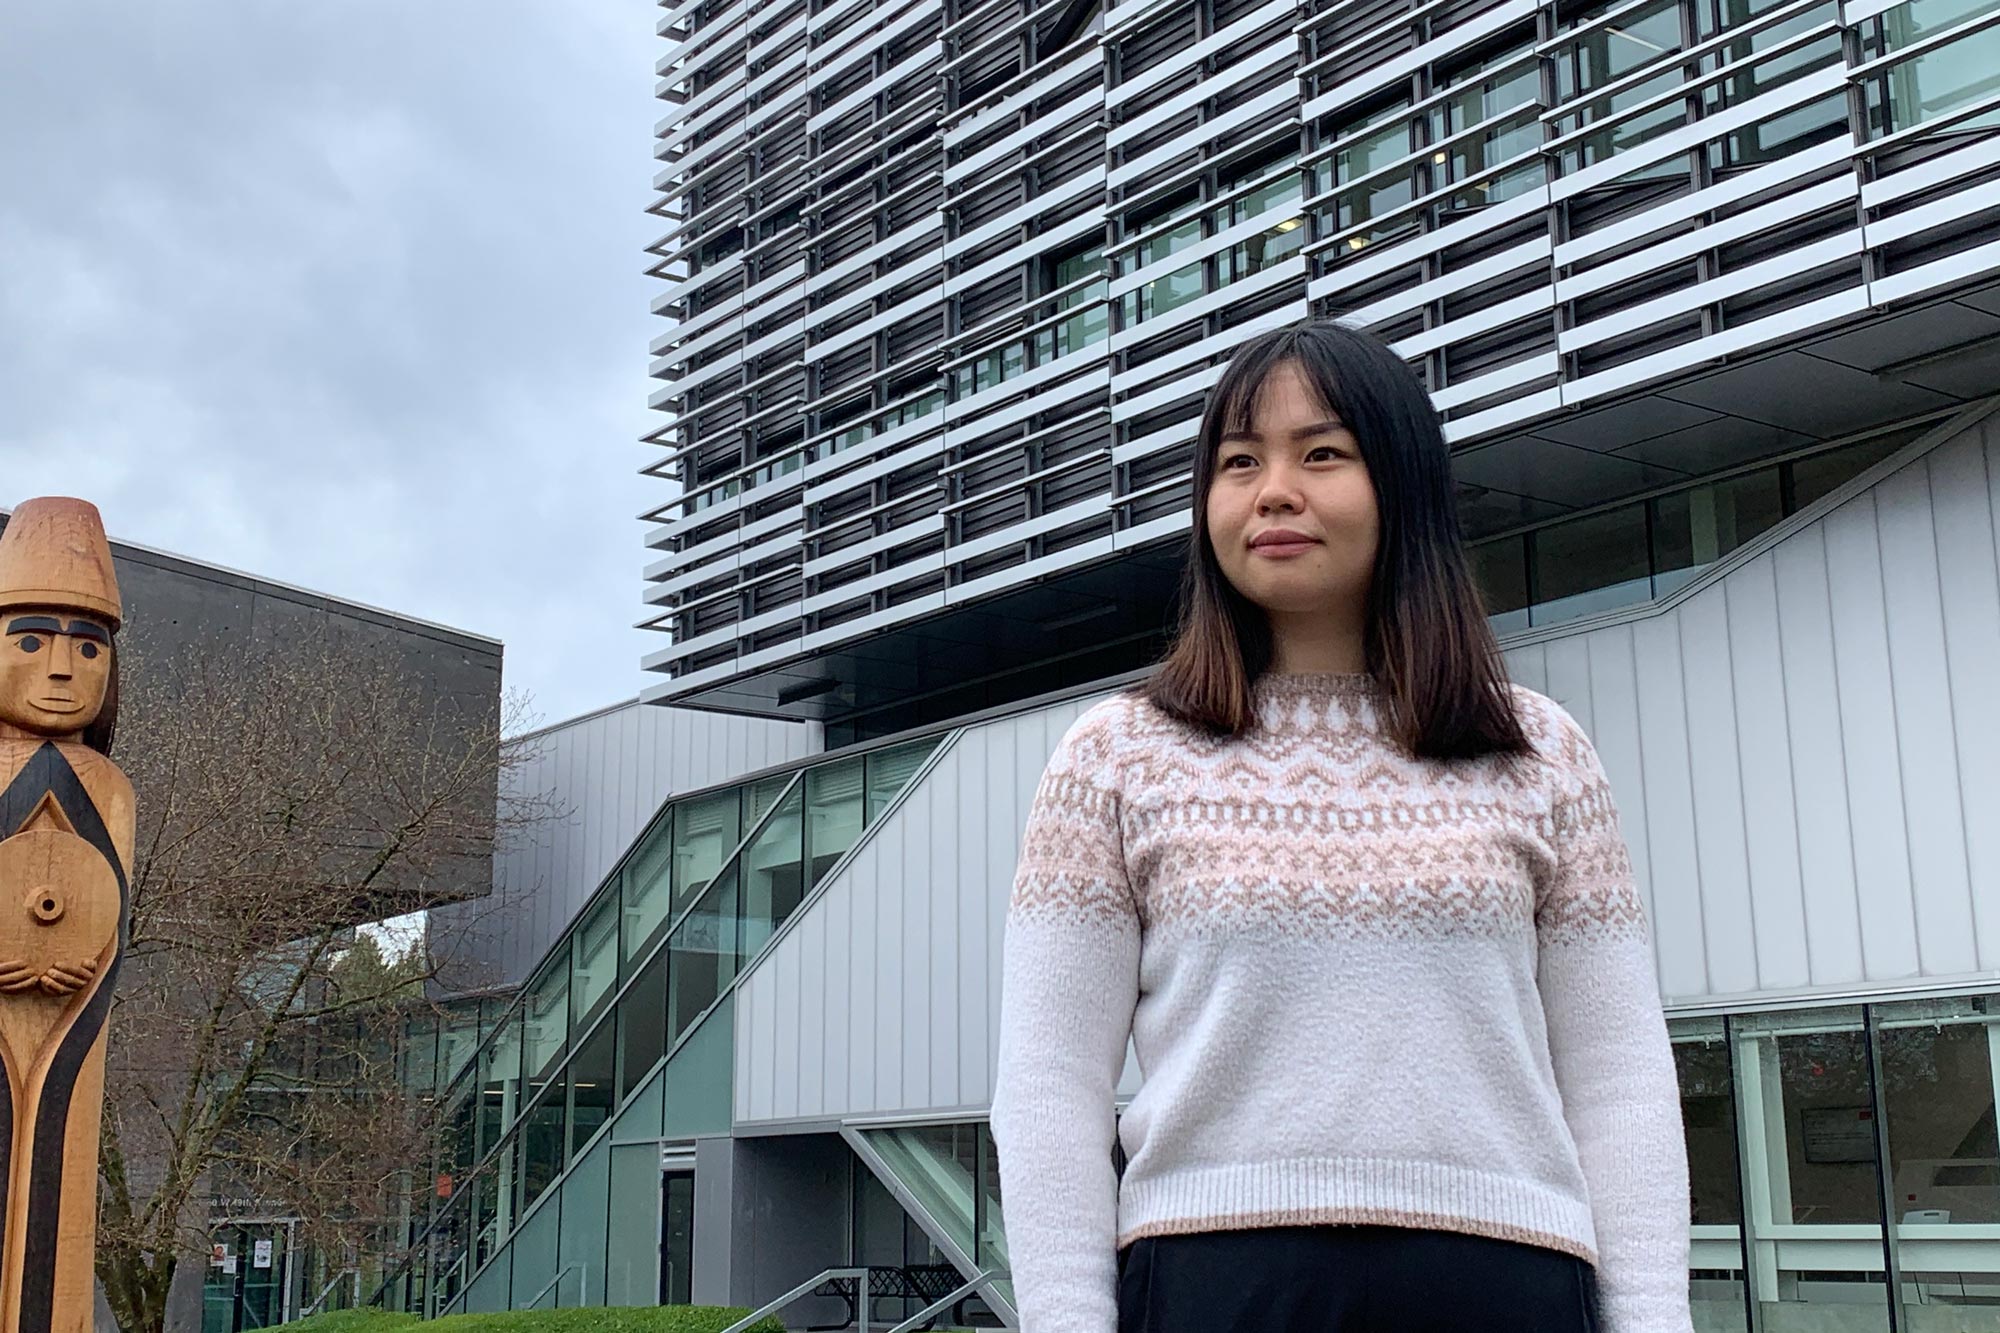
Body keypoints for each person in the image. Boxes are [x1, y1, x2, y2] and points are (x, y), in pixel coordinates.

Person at [988, 320, 1693, 1333]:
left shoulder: (1540, 751)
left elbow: (1618, 1078)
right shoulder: (1115, 757)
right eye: (1238, 462)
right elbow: (1048, 1085)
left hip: (1508, 1287)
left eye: (1320, 453)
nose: (1273, 490)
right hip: (1211, 1290)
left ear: (1400, 486)